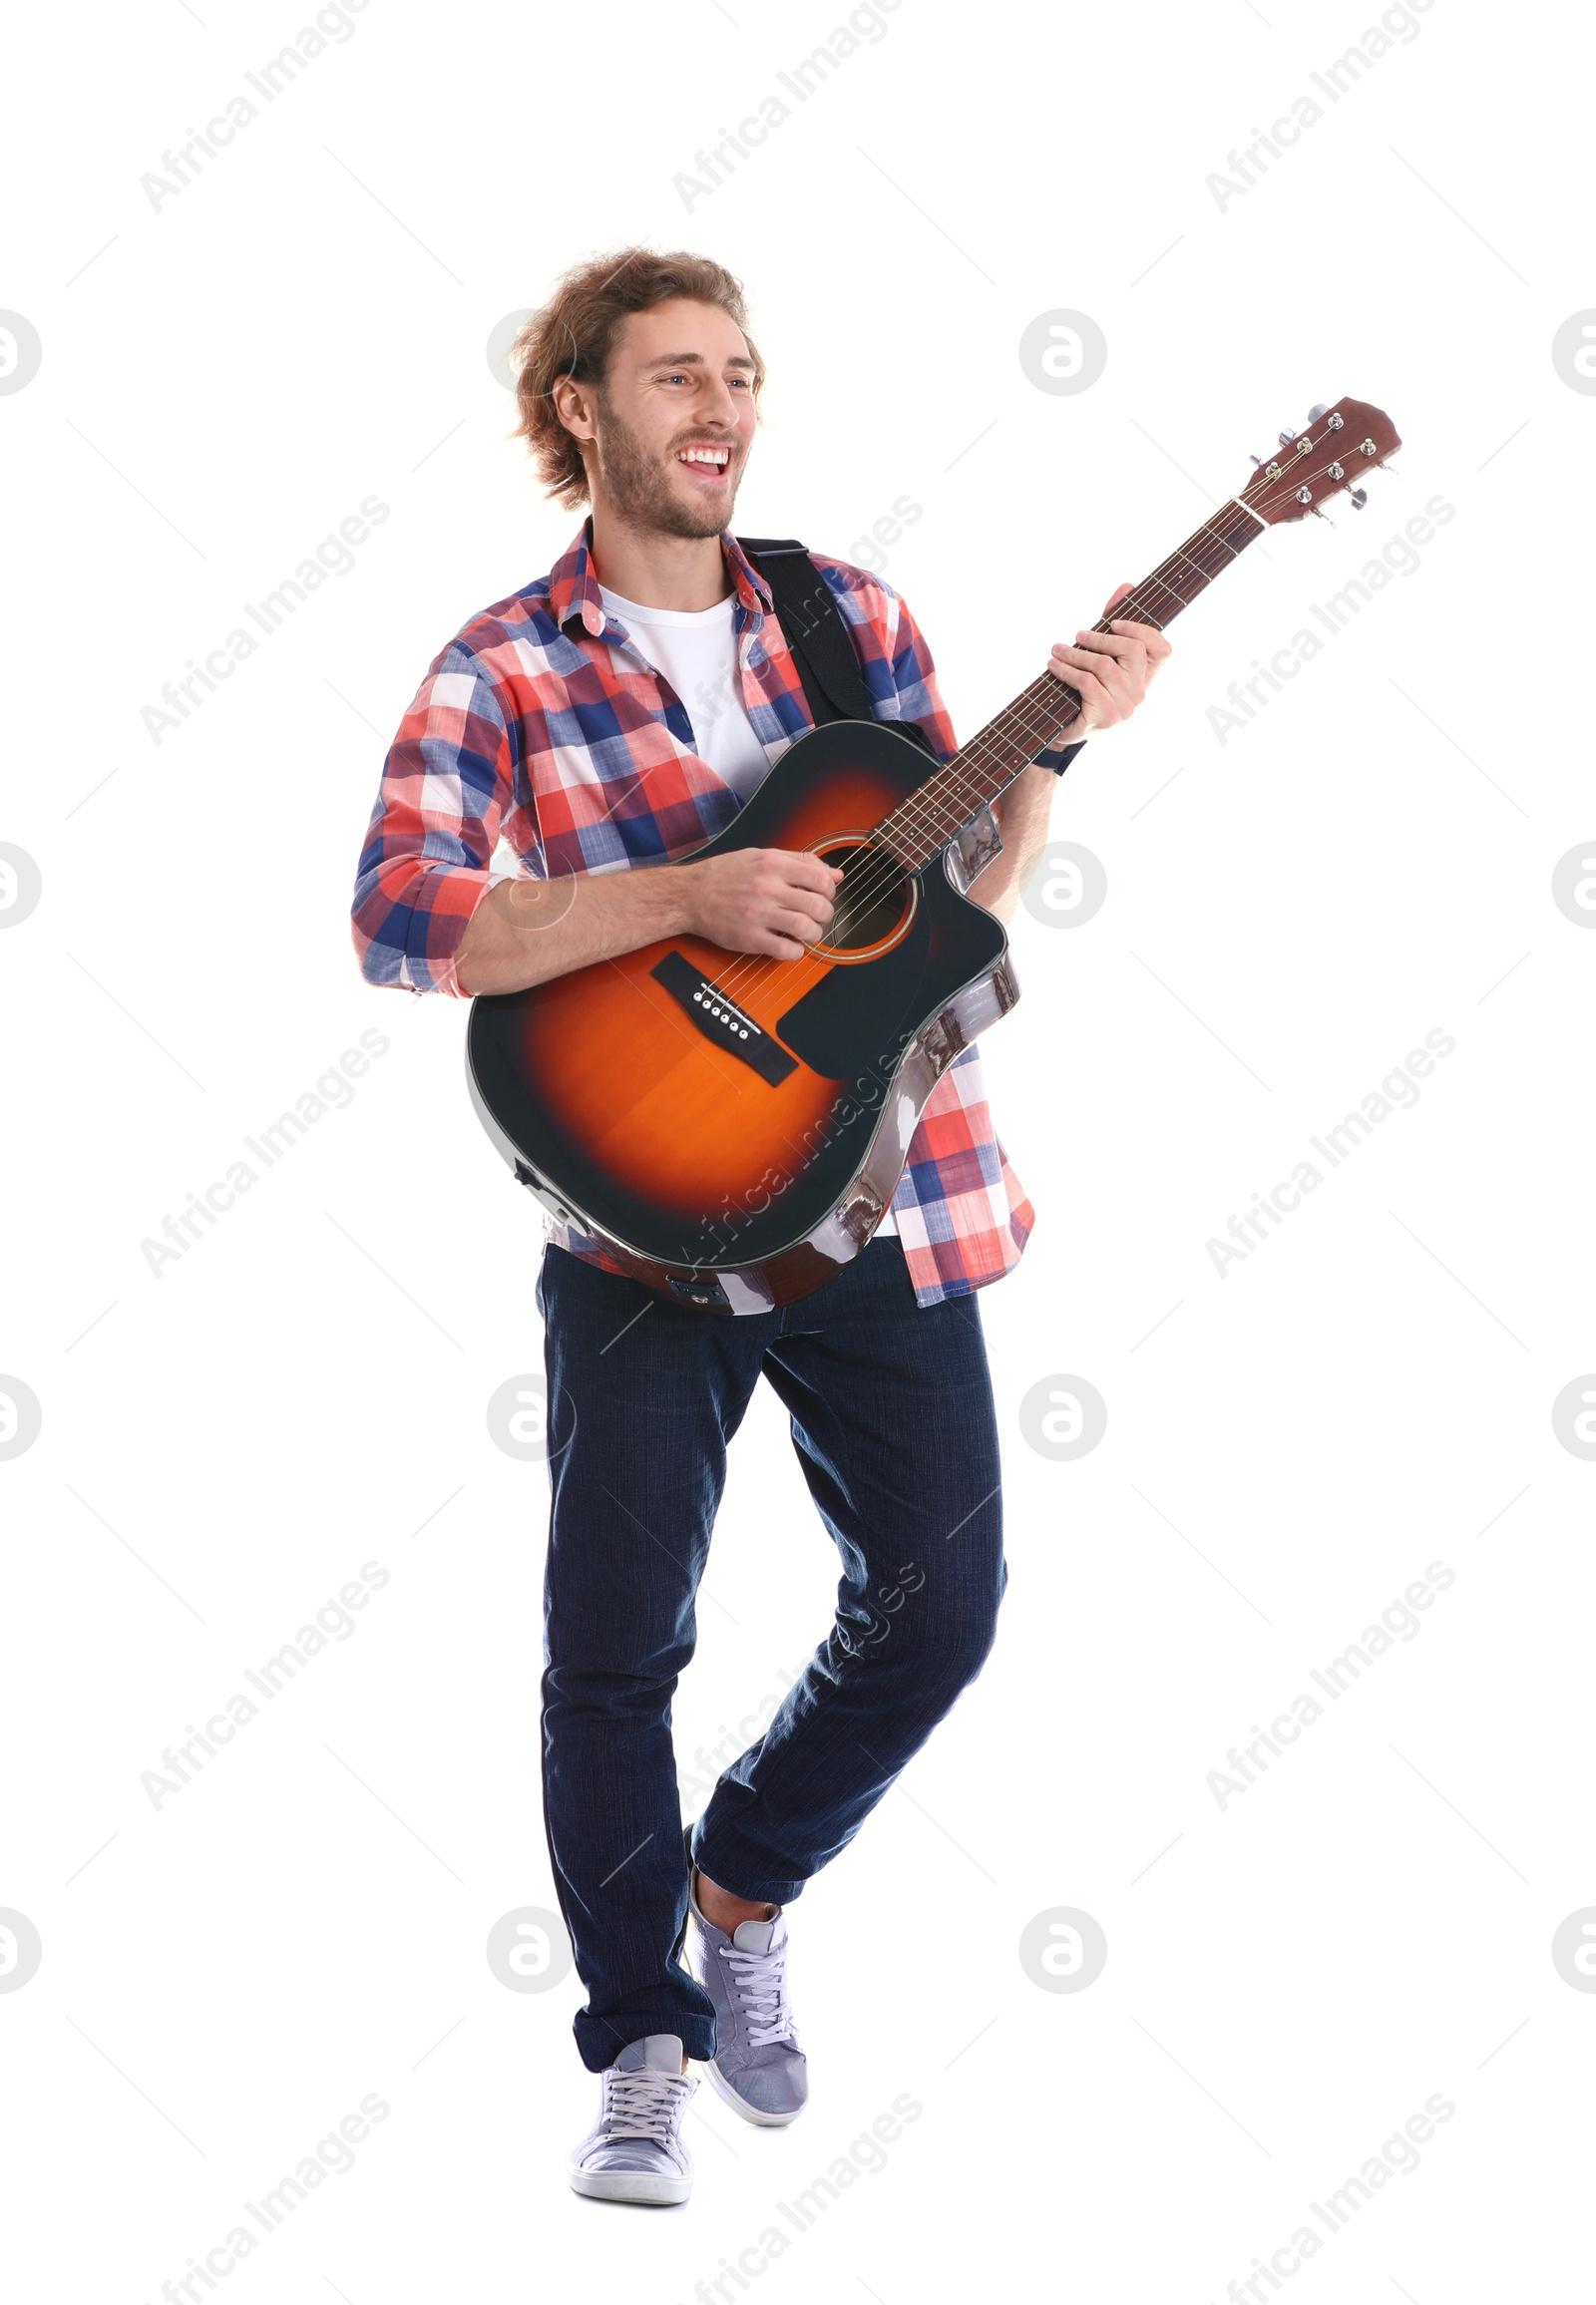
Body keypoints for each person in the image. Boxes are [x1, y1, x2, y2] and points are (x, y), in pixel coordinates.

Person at [351, 247, 1169, 2206]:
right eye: (671, 377)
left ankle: (744, 1881)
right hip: (639, 1219)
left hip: (878, 1197)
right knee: (612, 1645)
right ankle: (639, 2037)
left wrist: (1046, 753)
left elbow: (955, 889)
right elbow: (397, 911)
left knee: (939, 1605)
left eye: (739, 373)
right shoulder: (503, 666)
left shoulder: (847, 615)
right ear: (576, 409)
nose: (717, 407)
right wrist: (680, 898)